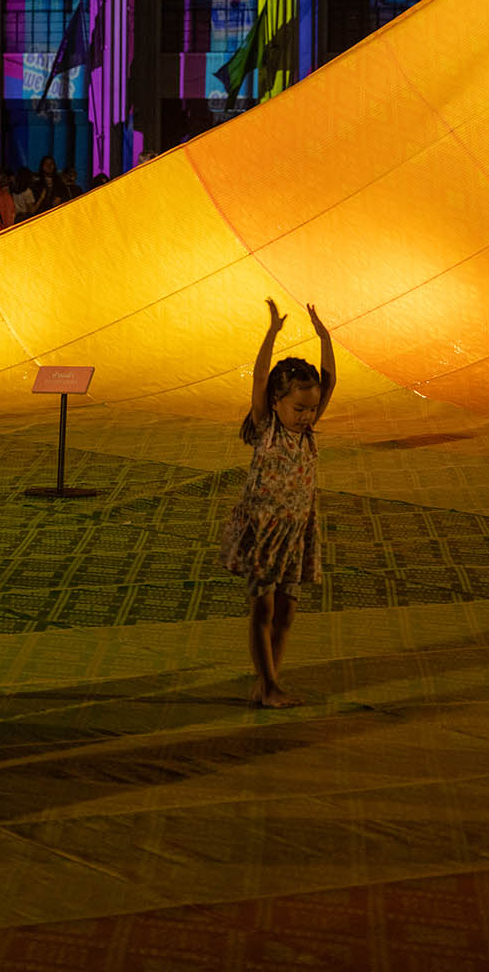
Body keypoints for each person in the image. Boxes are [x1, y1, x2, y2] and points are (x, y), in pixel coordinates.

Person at [220, 297, 336, 709]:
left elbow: (330, 381)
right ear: (276, 401)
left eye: (310, 408)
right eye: (299, 408)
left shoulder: (306, 432)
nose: (307, 415)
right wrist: (271, 334)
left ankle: (270, 681)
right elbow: (258, 380)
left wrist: (325, 337)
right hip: (265, 532)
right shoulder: (268, 428)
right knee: (264, 609)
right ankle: (267, 684)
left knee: (287, 612)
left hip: (296, 532)